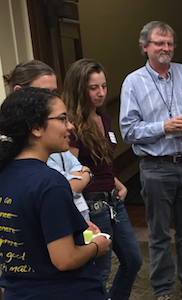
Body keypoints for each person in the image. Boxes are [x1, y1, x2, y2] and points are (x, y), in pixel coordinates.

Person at [120, 21, 182, 300]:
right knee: (160, 235)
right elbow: (128, 131)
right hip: (156, 167)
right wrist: (164, 127)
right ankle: (163, 290)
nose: (166, 48)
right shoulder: (133, 82)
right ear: (145, 48)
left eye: (169, 43)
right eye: (159, 43)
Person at [0, 87, 111, 299]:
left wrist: (72, 228)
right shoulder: (49, 182)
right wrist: (97, 246)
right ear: (36, 128)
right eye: (62, 119)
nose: (71, 126)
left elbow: (25, 228)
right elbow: (65, 259)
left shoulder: (5, 174)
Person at [63, 58, 142, 300]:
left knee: (133, 261)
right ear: (80, 89)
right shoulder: (72, 127)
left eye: (104, 86)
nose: (101, 93)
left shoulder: (104, 118)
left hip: (113, 200)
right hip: (92, 204)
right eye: (93, 88)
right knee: (101, 270)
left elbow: (101, 161)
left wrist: (116, 181)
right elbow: (72, 170)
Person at [3, 60, 98, 231]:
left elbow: (77, 171)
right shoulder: (20, 151)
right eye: (45, 92)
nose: (53, 98)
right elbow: (64, 187)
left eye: (54, 92)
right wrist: (82, 176)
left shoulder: (55, 140)